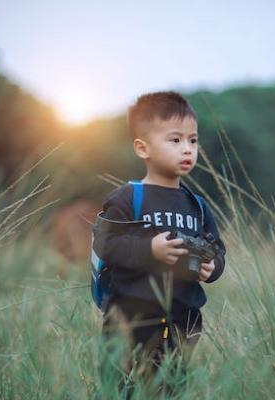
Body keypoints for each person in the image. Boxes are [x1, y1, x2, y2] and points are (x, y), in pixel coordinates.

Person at [93, 91, 226, 397]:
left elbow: (217, 248)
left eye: (193, 140)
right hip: (129, 322)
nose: (187, 149)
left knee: (171, 390)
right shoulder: (128, 198)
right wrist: (149, 250)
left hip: (183, 322)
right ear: (143, 148)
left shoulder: (198, 206)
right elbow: (105, 244)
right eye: (175, 140)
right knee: (124, 390)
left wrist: (213, 266)